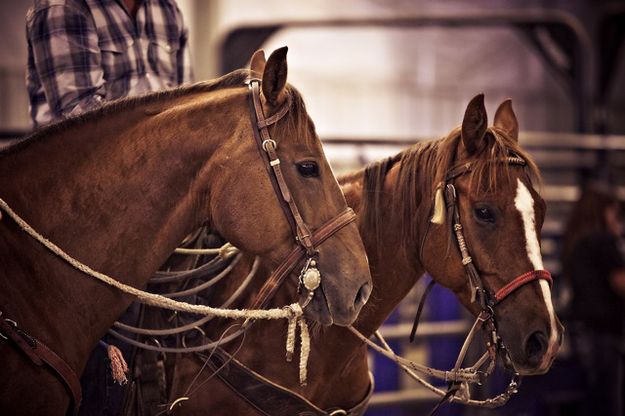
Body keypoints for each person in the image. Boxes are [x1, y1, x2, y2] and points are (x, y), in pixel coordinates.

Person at [25, 1, 193, 414]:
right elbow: (88, 132)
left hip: (158, 204)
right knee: (106, 363)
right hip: (81, 215)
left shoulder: (167, 12)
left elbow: (188, 107)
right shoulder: (63, 9)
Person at [26, 0, 193, 128]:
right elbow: (81, 123)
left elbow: (186, 100)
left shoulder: (167, 7)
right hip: (80, 165)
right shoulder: (64, 6)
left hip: (157, 158)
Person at [561, 180, 625, 416]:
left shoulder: (575, 241)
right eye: (614, 213)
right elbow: (621, 283)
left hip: (582, 327)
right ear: (602, 211)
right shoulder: (603, 241)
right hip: (604, 329)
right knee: (608, 401)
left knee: (593, 395)